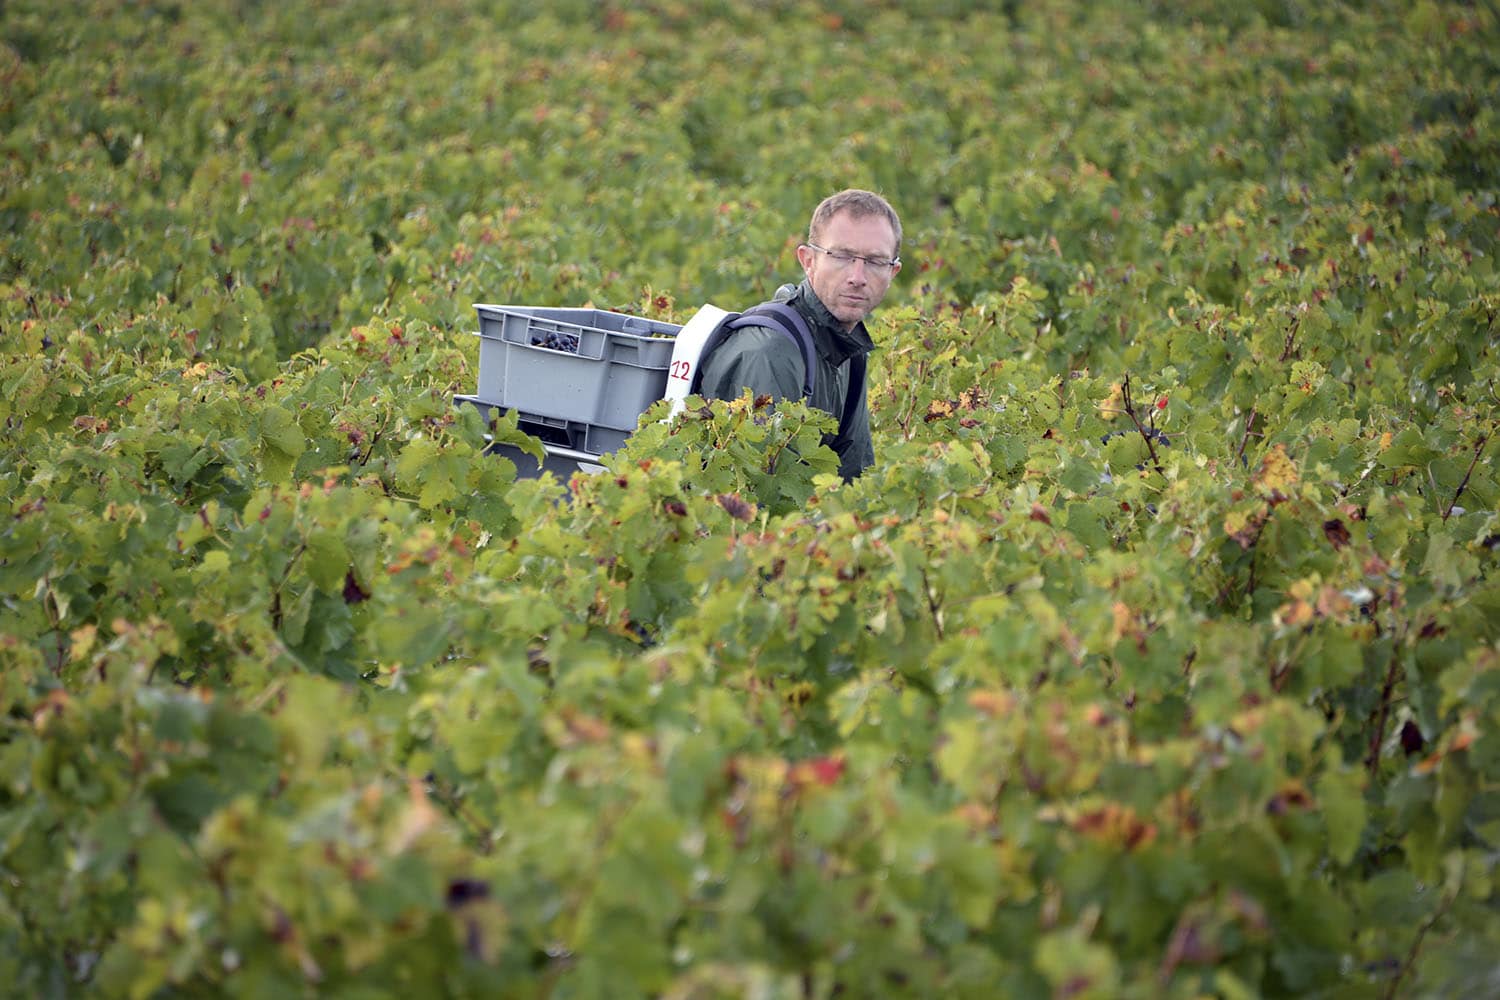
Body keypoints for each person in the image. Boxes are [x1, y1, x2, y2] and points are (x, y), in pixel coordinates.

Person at [697, 189, 902, 481]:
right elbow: (762, 495)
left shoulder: (850, 351)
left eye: (875, 261)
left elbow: (854, 481)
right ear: (808, 261)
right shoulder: (769, 353)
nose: (857, 277)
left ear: (892, 272)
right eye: (842, 257)